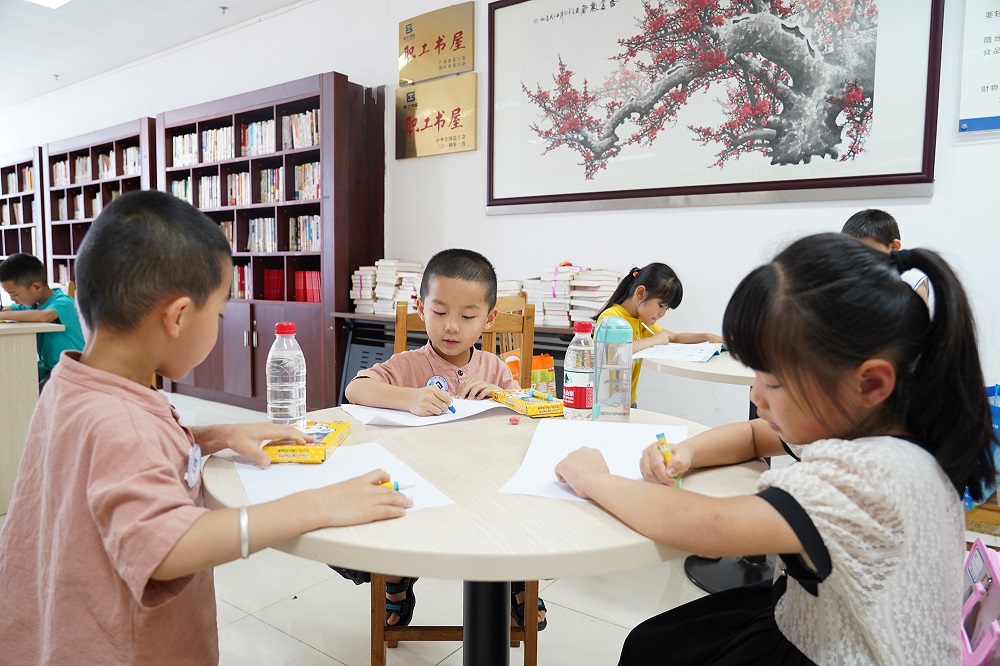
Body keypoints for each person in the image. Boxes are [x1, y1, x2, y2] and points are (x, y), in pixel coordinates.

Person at [0, 191, 412, 664]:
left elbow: (118, 461)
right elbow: (169, 547)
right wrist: (321, 504)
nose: (218, 326)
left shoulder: (74, 382)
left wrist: (218, 435)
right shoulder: (122, 422)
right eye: (217, 314)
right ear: (178, 316)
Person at [556, 233, 996, 664]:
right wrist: (686, 453)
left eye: (774, 382)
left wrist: (593, 479)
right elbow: (753, 436)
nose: (757, 397)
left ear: (870, 383)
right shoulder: (868, 423)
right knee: (650, 643)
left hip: (834, 649)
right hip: (809, 614)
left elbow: (707, 527)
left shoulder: (872, 476)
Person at [343, 247, 547, 630]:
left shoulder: (494, 367)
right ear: (421, 308)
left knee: (527, 509)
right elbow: (356, 388)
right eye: (439, 312)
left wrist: (500, 395)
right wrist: (409, 397)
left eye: (467, 317)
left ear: (488, 319)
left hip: (486, 487)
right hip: (424, 484)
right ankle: (397, 579)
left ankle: (516, 575)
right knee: (375, 514)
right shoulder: (408, 365)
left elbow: (525, 415)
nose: (451, 327)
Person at [595, 263, 723, 407]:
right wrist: (654, 340)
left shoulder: (639, 321)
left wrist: (706, 336)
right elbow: (618, 350)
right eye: (661, 305)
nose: (662, 314)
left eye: (666, 309)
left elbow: (675, 338)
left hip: (628, 402)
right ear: (640, 293)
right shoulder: (610, 318)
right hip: (606, 406)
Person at [0, 252, 85, 388]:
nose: (12, 299)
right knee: (12, 378)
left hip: (72, 369)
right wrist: (6, 310)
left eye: (15, 294)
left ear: (36, 287)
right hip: (48, 367)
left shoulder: (64, 302)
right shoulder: (32, 305)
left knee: (26, 388)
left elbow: (44, 316)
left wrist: (4, 316)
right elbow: (14, 309)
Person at [841, 208, 931, 303]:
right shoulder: (851, 276)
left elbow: (918, 312)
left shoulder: (910, 278)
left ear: (894, 246)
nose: (859, 258)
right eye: (852, 252)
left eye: (867, 251)